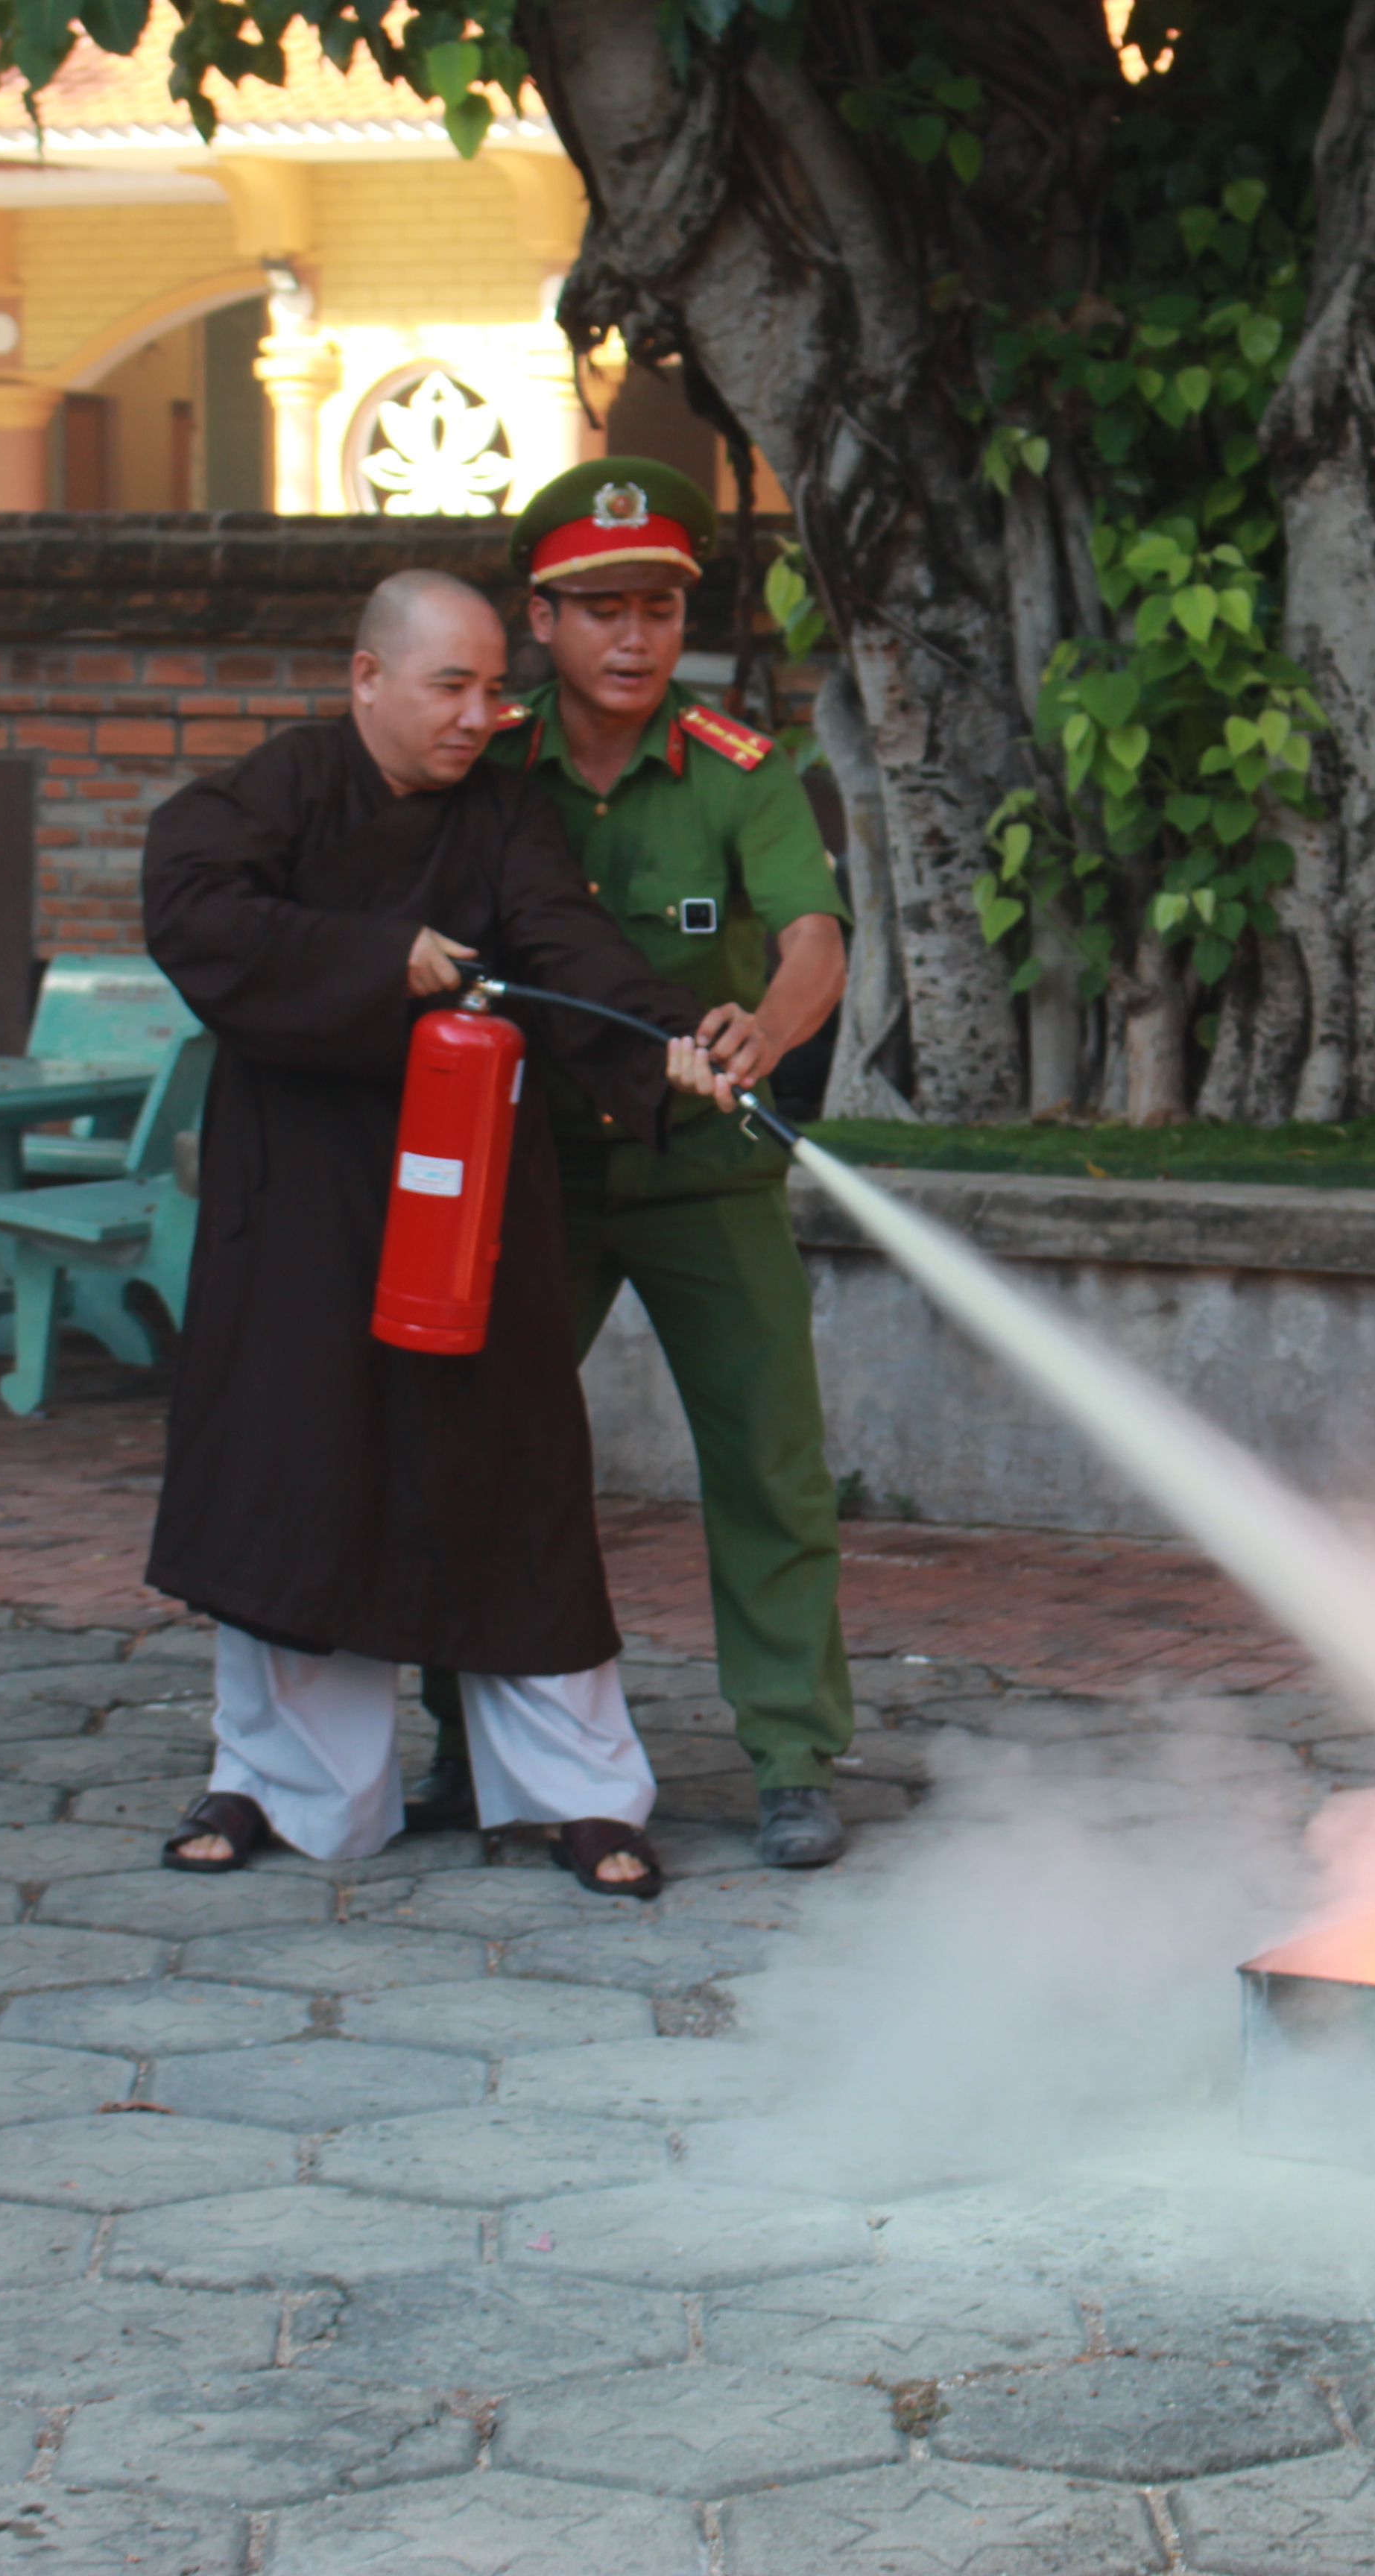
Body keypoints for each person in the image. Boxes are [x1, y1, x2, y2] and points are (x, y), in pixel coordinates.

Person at [143, 566, 744, 1898]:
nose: (482, 716)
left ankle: (577, 1795)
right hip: (299, 1204)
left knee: (509, 1475)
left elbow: (566, 951)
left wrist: (666, 1045)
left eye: (492, 688)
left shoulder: (503, 818)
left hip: (468, 1203)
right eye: (450, 687)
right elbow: (192, 909)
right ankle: (286, 1788)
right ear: (368, 679)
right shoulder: (277, 790)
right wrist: (379, 958)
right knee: (300, 1486)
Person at [405, 458, 862, 1871]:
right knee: (480, 1457)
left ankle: (791, 1754)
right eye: (598, 607)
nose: (632, 638)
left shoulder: (742, 769)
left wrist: (763, 1034)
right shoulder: (489, 762)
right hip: (532, 1170)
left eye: (657, 606)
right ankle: (467, 1740)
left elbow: (814, 940)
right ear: (539, 619)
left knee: (769, 1465)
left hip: (703, 1173)